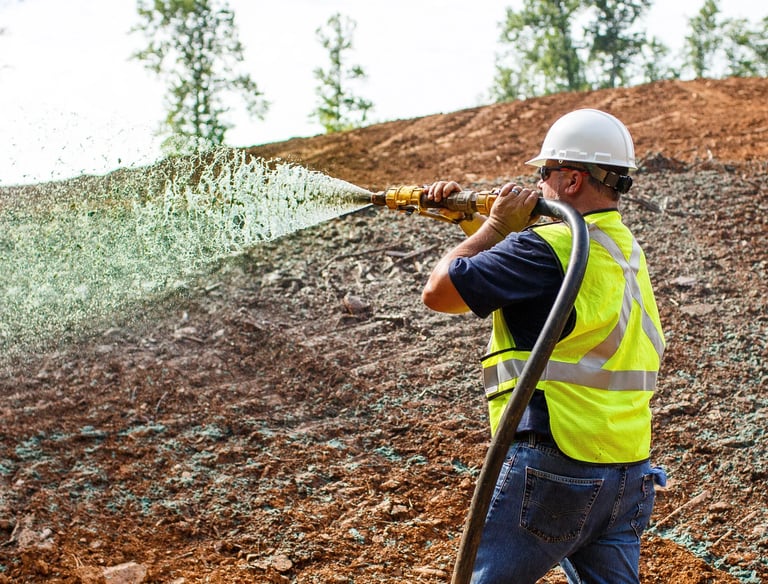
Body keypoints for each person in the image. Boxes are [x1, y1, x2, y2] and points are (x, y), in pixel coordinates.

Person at [421, 108, 667, 584]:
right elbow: (531, 283)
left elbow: (441, 292)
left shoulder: (547, 247)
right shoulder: (620, 248)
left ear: (572, 180)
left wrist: (492, 229)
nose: (539, 184)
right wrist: (471, 226)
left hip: (556, 466)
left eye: (544, 172)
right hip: (627, 473)